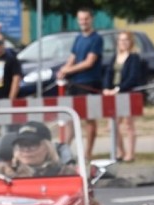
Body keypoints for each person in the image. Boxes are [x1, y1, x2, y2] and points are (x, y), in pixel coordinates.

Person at [57, 8, 103, 161]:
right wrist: (64, 69)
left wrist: (69, 69)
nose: (83, 22)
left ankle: (88, 152)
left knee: (89, 118)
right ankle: (67, 149)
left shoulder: (96, 39)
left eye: (86, 19)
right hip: (75, 83)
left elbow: (89, 62)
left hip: (89, 82)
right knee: (70, 116)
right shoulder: (78, 38)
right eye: (81, 19)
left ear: (91, 19)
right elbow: (73, 56)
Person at [0, 121, 77, 178]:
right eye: (22, 145)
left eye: (33, 144)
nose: (26, 150)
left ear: (48, 148)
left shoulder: (65, 174)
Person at [102, 31, 141, 162]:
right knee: (113, 124)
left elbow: (133, 77)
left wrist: (119, 89)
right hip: (114, 93)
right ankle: (120, 151)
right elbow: (108, 73)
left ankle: (130, 154)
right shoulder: (115, 57)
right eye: (120, 40)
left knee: (129, 124)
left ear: (131, 42)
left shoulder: (134, 57)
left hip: (127, 93)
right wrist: (107, 88)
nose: (123, 43)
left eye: (126, 40)